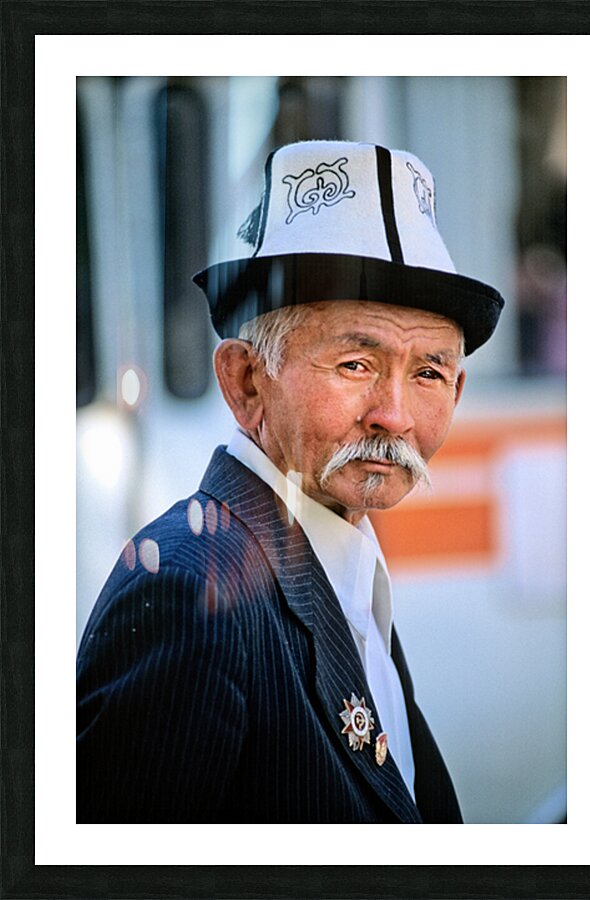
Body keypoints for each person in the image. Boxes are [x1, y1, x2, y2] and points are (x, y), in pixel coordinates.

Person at [76, 140, 504, 823]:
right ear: (245, 381)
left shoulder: (340, 566)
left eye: (427, 373)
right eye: (355, 364)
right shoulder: (191, 594)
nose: (393, 415)